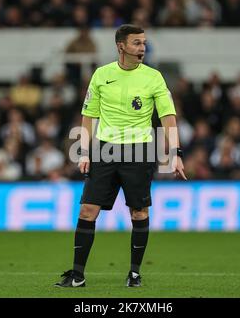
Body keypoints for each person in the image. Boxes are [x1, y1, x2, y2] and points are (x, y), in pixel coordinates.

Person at [54, 24, 186, 288]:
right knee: (88, 209)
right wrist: (84, 151)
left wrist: (175, 152)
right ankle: (78, 275)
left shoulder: (154, 77)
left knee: (139, 211)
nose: (142, 48)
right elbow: (89, 114)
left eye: (144, 43)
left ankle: (134, 273)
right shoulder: (102, 75)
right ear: (121, 46)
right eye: (137, 43)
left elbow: (168, 118)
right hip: (105, 150)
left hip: (139, 150)